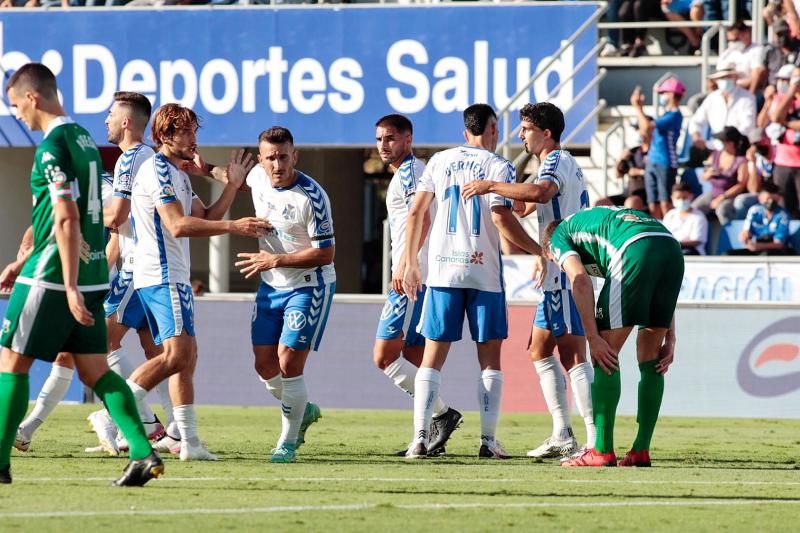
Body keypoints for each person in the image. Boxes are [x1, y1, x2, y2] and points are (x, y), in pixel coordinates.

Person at [0, 63, 161, 486]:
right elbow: (57, 212)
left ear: (33, 98)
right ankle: (143, 453)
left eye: (16, 105)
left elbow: (67, 218)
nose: (17, 115)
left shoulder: (53, 146)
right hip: (92, 276)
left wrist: (65, 284)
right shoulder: (86, 140)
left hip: (54, 277)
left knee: (13, 364)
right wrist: (23, 260)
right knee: (96, 372)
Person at [124, 103, 266, 462]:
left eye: (193, 131)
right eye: (184, 131)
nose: (192, 138)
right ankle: (115, 409)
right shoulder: (157, 170)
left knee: (187, 359)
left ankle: (188, 442)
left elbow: (205, 216)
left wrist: (232, 186)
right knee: (178, 355)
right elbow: (178, 225)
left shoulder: (179, 174)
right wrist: (235, 227)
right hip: (161, 275)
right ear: (163, 136)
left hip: (174, 276)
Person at [401, 104, 541, 460]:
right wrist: (538, 250)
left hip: (443, 270)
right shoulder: (498, 166)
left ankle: (419, 439)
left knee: (432, 357)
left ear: (466, 132)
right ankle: (488, 441)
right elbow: (501, 219)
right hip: (484, 273)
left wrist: (408, 262)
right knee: (490, 360)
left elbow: (416, 211)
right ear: (492, 129)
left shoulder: (438, 161)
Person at [460, 102, 595, 460]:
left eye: (525, 128)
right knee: (539, 349)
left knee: (572, 355)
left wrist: (491, 183)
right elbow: (525, 205)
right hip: (554, 273)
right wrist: (499, 197)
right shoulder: (557, 165)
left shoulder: (553, 161)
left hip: (566, 273)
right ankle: (562, 433)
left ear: (546, 132)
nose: (519, 134)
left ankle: (594, 438)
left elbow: (540, 193)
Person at [541, 207, 683, 468]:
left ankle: (601, 450)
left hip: (633, 249)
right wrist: (670, 338)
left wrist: (593, 337)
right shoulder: (595, 227)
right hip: (671, 248)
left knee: (604, 353)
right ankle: (641, 450)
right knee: (651, 359)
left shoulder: (559, 236)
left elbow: (580, 279)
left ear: (549, 251)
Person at [233, 127, 334, 463]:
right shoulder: (257, 179)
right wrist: (203, 169)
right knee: (264, 365)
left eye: (283, 156)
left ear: (295, 156)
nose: (278, 164)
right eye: (271, 157)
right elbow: (229, 175)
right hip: (271, 285)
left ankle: (286, 443)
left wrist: (276, 258)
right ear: (261, 161)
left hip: (309, 283)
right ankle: (302, 409)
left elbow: (326, 253)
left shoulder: (311, 197)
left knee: (288, 359)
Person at [371, 114, 462, 457]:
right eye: (379, 138)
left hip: (412, 279)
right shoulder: (409, 172)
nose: (384, 145)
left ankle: (440, 415)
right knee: (414, 357)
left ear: (408, 140)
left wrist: (407, 265)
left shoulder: (410, 172)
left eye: (391, 138)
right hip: (422, 275)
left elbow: (421, 217)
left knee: (384, 356)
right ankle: (425, 434)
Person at [633, 79, 685, 219]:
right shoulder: (666, 115)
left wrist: (638, 108)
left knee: (665, 202)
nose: (662, 96)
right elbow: (645, 130)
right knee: (652, 203)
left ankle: (667, 233)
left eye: (664, 92)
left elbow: (647, 127)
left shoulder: (675, 115)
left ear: (673, 94)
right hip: (653, 161)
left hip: (665, 162)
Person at [689, 63, 758, 153]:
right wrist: (697, 138)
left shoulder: (748, 97)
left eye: (728, 77)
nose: (725, 80)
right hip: (714, 148)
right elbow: (696, 121)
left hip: (739, 148)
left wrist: (729, 141)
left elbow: (747, 126)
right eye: (722, 78)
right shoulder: (712, 98)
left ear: (735, 78)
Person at [692, 126, 750, 224]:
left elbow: (741, 185)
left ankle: (729, 237)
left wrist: (722, 197)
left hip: (730, 196)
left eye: (723, 140)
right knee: (694, 210)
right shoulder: (715, 155)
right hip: (714, 193)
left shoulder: (741, 161)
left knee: (722, 210)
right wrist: (709, 174)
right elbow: (704, 175)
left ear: (731, 143)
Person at [727, 182, 795, 255]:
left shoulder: (783, 216)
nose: (770, 202)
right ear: (760, 199)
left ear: (778, 199)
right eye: (768, 199)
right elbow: (746, 231)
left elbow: (779, 244)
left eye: (773, 199)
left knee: (765, 255)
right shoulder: (754, 211)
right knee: (729, 254)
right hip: (757, 247)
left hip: (774, 250)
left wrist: (758, 246)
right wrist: (745, 236)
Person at [769, 64, 800, 214]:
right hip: (783, 162)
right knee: (785, 209)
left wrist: (786, 122)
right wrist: (792, 91)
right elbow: (775, 117)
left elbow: (781, 119)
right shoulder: (783, 99)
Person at [717, 19, 766, 94]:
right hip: (723, 92)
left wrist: (750, 95)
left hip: (745, 92)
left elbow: (756, 76)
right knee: (696, 101)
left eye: (735, 40)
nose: (732, 43)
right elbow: (718, 76)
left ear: (746, 34)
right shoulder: (726, 53)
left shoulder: (757, 50)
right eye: (729, 41)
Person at [662, 182, 709, 255]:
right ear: (672, 198)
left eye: (684, 198)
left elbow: (696, 242)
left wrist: (676, 244)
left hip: (692, 252)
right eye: (678, 198)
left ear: (691, 196)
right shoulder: (670, 215)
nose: (681, 200)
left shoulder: (699, 217)